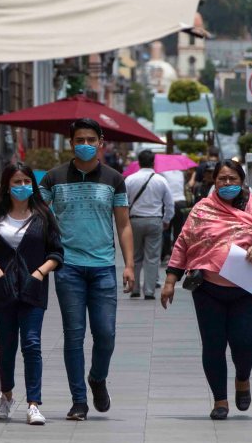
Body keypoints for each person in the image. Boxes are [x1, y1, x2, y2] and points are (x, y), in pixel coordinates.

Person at [160, 160, 252, 420]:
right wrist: (170, 281)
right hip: (207, 289)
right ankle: (220, 400)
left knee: (244, 342)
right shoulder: (202, 209)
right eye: (222, 179)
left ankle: (243, 379)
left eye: (232, 179)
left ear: (241, 182)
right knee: (213, 346)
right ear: (213, 182)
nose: (227, 184)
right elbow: (183, 242)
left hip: (244, 290)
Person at [39, 118, 135, 421]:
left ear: (100, 142)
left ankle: (97, 377)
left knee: (106, 333)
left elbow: (123, 224)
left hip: (103, 267)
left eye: (91, 139)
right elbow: (37, 219)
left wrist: (129, 264)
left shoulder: (114, 179)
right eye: (80, 139)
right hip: (68, 267)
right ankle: (78, 399)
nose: (85, 144)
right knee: (74, 335)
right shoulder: (53, 179)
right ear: (71, 143)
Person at [0, 162, 63, 425]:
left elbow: (57, 252)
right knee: (7, 346)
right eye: (16, 182)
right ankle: (6, 396)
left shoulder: (43, 215)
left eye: (26, 182)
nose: (22, 187)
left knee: (32, 344)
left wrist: (40, 272)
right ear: (6, 186)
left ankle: (34, 403)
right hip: (2, 290)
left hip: (33, 289)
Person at [125, 150, 174, 299]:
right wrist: (166, 220)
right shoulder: (161, 180)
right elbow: (169, 204)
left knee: (135, 256)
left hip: (134, 220)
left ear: (138, 162)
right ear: (154, 162)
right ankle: (149, 291)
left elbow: (123, 202)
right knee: (152, 257)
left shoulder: (129, 179)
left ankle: (134, 288)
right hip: (155, 220)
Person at [159, 167, 189, 261]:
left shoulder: (163, 173)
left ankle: (167, 253)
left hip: (169, 202)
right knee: (178, 229)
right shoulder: (181, 173)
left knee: (166, 228)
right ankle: (177, 253)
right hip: (181, 202)